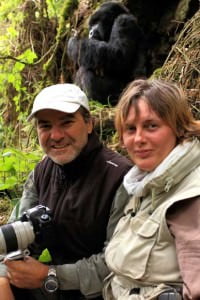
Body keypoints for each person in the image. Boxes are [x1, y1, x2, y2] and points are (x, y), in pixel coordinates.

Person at [0, 83, 132, 300]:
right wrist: (5, 275)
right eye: (45, 126)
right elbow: (14, 236)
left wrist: (49, 274)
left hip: (106, 292)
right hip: (55, 287)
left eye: (67, 122)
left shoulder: (120, 178)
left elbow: (120, 264)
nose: (56, 135)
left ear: (89, 123)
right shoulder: (43, 171)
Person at [103, 79, 200, 299]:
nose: (138, 139)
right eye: (130, 129)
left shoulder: (191, 195)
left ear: (178, 128)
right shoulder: (147, 184)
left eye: (151, 126)